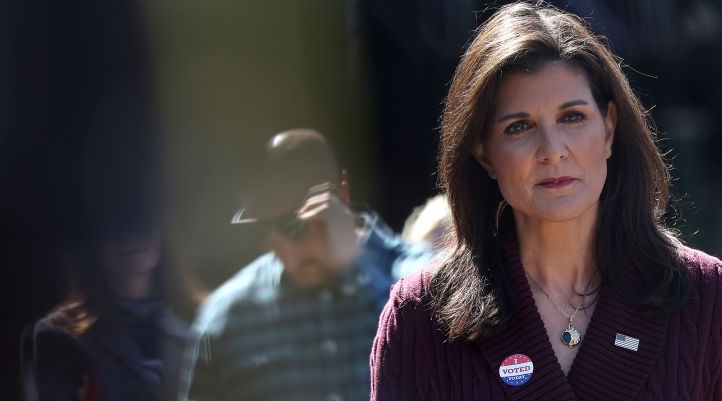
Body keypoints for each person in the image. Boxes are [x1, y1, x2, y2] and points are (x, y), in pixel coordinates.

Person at [370, 0, 722, 400]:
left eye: (573, 117)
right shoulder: (418, 316)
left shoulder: (712, 299)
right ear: (483, 153)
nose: (553, 150)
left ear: (610, 130)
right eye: (519, 127)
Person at [181, 129, 429, 401]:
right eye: (261, 231)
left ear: (341, 196)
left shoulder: (423, 276)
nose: (289, 256)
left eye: (295, 227)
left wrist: (356, 271)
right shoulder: (227, 316)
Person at [22, 218, 199, 401]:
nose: (128, 235)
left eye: (139, 219)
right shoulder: (59, 334)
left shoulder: (206, 318)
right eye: (112, 224)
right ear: (90, 242)